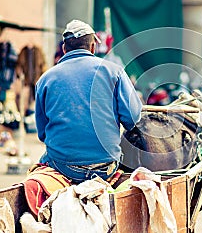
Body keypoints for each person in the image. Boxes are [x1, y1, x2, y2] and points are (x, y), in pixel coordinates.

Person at [35, 19, 143, 184]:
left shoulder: (45, 79)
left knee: (43, 158)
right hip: (106, 167)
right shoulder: (114, 71)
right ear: (93, 47)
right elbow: (133, 118)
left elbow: (42, 133)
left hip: (63, 167)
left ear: (64, 49)